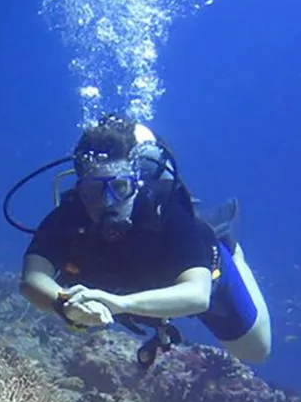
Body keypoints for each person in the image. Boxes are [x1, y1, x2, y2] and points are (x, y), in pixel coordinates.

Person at [19, 114, 272, 366]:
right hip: (134, 292)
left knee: (256, 351)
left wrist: (122, 304)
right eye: (94, 190)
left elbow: (198, 294)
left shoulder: (166, 212)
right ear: (80, 188)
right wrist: (63, 305)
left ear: (136, 184)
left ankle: (233, 252)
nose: (107, 203)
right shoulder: (70, 215)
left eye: (119, 188)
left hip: (203, 274)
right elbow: (32, 277)